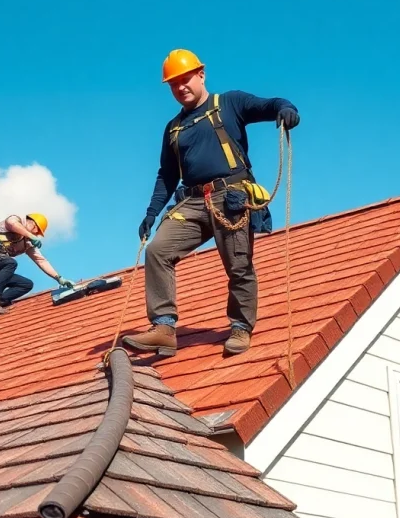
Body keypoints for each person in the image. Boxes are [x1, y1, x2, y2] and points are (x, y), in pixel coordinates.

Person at [122, 49, 300, 357]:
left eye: (185, 79)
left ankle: (241, 327)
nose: (180, 88)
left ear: (201, 74)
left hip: (229, 196)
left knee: (238, 265)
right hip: (191, 201)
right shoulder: (173, 128)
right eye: (173, 84)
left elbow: (271, 104)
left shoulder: (229, 103)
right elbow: (166, 175)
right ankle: (164, 327)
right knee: (157, 251)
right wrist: (151, 213)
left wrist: (287, 109)